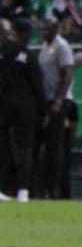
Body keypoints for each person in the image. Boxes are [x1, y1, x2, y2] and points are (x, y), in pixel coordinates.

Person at [0, 19, 44, 202]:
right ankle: (23, 190)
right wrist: (43, 111)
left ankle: (1, 188)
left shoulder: (4, 52)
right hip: (26, 106)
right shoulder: (28, 55)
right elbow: (37, 85)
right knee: (24, 147)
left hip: (3, 104)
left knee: (2, 147)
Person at [37, 16, 73, 199]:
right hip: (47, 99)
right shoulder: (45, 46)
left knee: (55, 146)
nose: (44, 32)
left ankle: (56, 188)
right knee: (47, 145)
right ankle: (45, 185)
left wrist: (59, 100)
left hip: (59, 101)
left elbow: (67, 75)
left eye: (47, 29)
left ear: (56, 28)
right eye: (42, 29)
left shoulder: (61, 46)